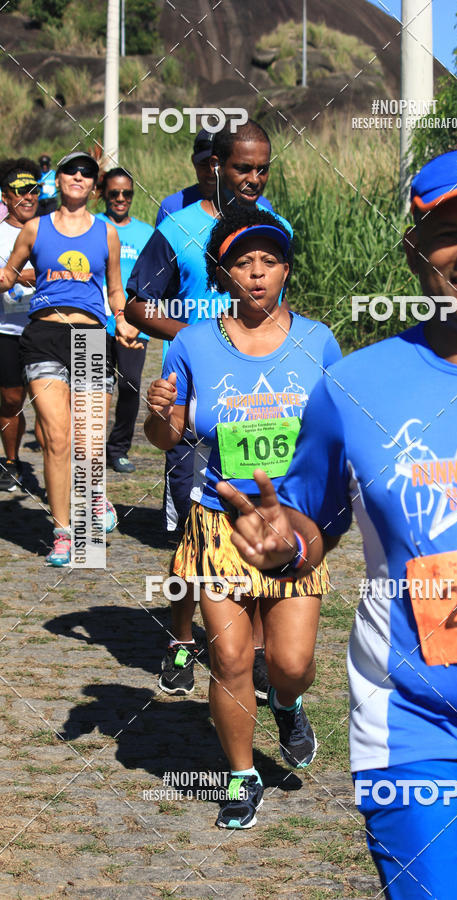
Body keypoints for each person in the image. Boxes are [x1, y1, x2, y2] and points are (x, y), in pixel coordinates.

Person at [218, 149, 457, 896]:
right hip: (417, 731)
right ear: (414, 247)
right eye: (450, 229)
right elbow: (312, 520)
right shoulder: (353, 386)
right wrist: (285, 542)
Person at [145, 207, 341, 828]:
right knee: (230, 659)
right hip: (218, 521)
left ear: (286, 268)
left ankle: (288, 704)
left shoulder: (320, 341)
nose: (257, 274)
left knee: (289, 663)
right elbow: (166, 435)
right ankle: (240, 775)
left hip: (291, 525)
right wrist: (160, 412)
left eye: (269, 261)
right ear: (224, 271)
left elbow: (339, 434)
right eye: (243, 262)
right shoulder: (193, 343)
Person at [127, 119, 290, 696]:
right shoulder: (178, 228)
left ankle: (264, 649)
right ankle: (179, 638)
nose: (253, 177)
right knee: (194, 533)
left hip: (263, 400)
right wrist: (202, 339)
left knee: (263, 517)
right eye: (242, 167)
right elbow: (137, 304)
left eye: (262, 167)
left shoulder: (278, 227)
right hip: (194, 399)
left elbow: (281, 311)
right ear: (216, 165)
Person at [0, 151, 140, 566]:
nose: (78, 177)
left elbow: (115, 288)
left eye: (87, 173)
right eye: (70, 171)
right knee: (56, 437)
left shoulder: (106, 234)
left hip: (93, 335)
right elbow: (9, 273)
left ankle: (95, 494)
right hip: (43, 335)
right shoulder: (34, 228)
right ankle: (63, 532)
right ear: (57, 180)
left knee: (90, 438)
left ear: (94, 187)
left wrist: (123, 319)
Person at [96, 167, 153, 473]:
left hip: (133, 324)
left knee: (130, 386)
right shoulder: (93, 226)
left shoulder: (145, 233)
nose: (120, 199)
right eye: (114, 193)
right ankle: (88, 450)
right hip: (94, 321)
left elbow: (151, 281)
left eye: (127, 193)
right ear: (104, 193)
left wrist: (138, 320)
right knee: (92, 389)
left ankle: (118, 449)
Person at [0, 158, 40, 491]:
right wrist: (27, 276)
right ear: (5, 196)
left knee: (49, 403)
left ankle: (60, 460)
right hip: (7, 331)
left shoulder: (50, 228)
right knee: (12, 400)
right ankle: (12, 462)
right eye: (20, 191)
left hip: (45, 328)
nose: (27, 196)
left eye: (33, 190)